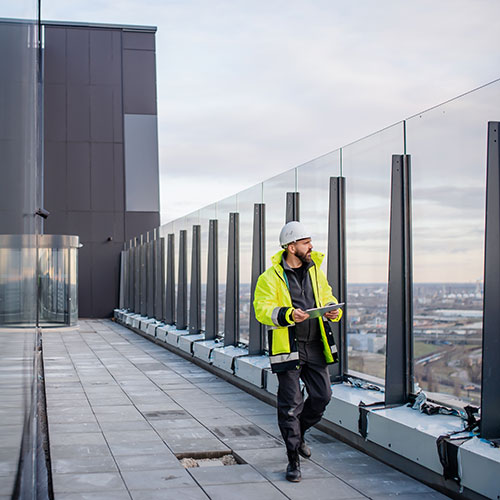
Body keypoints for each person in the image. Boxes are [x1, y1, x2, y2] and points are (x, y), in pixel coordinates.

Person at [253, 221, 342, 482]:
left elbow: (327, 296)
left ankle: (299, 435)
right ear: (292, 247)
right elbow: (262, 310)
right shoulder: (269, 277)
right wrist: (289, 314)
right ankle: (293, 460)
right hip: (288, 349)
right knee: (290, 406)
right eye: (306, 243)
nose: (311, 246)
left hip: (315, 344)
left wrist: (333, 309)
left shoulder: (316, 272)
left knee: (322, 396)